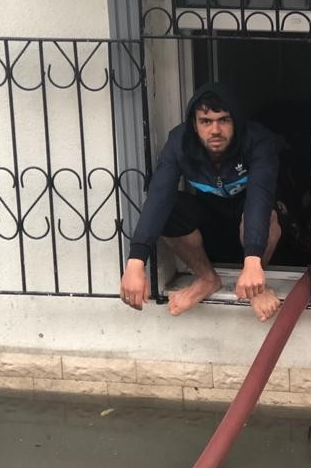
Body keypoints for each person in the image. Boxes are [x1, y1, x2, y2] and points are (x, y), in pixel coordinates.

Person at [119, 82, 283, 322]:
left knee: (267, 215)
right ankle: (207, 279)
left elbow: (260, 197)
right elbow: (159, 196)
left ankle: (255, 285)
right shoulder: (180, 142)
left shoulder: (257, 141)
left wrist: (252, 262)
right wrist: (135, 262)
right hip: (211, 223)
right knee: (169, 210)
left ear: (236, 122)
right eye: (206, 121)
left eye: (224, 120)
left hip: (251, 223)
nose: (215, 130)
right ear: (194, 125)